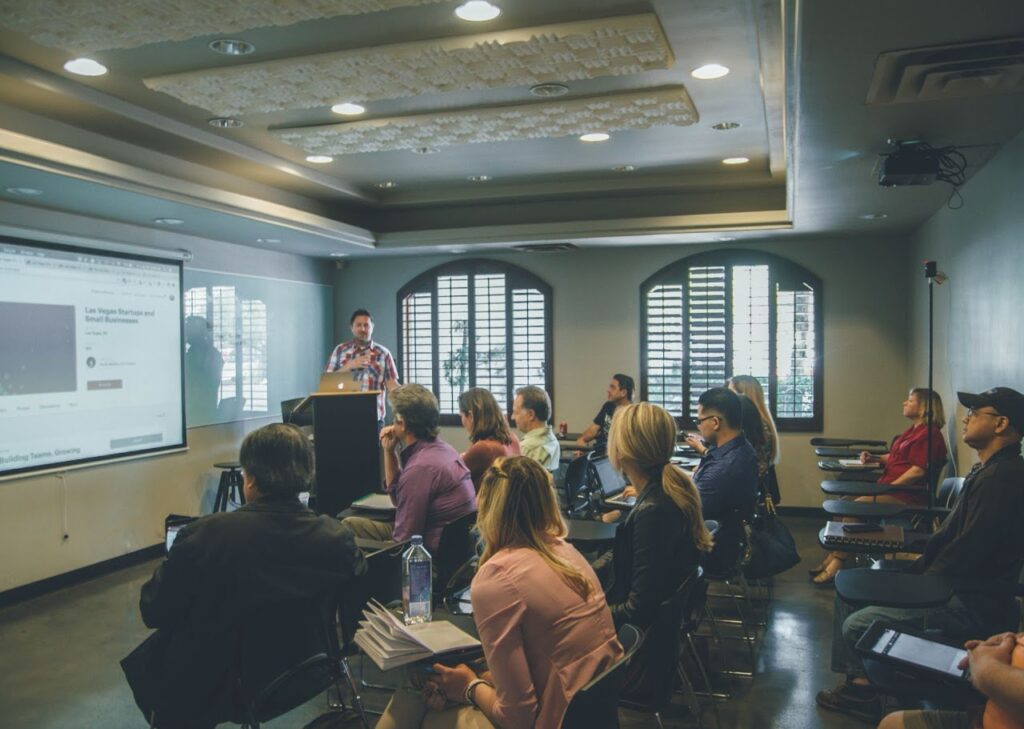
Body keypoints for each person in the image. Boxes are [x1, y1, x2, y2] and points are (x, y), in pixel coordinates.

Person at [120, 424, 367, 729]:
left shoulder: (204, 536)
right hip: (308, 670)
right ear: (306, 475)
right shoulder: (335, 537)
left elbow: (153, 609)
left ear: (249, 479)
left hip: (219, 687)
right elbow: (356, 583)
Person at [817, 387, 1024, 723]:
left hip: (967, 599)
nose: (967, 417)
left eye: (976, 411)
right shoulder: (988, 471)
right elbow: (952, 543)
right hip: (947, 581)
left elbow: (968, 553)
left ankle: (865, 691)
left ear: (1001, 424)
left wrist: (917, 584)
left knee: (858, 623)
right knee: (849, 587)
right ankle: (860, 683)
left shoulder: (1004, 478)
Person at [376, 456, 624, 729]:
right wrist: (477, 679)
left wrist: (469, 686)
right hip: (584, 711)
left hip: (554, 717)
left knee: (429, 709)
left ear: (486, 510)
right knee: (428, 683)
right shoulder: (567, 553)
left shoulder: (497, 578)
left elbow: (518, 718)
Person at [592, 402, 713, 702]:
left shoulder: (653, 511)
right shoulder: (666, 491)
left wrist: (583, 614)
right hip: (655, 644)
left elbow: (638, 609)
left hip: (637, 660)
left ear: (622, 452)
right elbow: (631, 560)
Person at [810, 387, 948, 585]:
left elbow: (918, 471)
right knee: (843, 504)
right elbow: (896, 457)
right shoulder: (913, 431)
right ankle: (833, 555)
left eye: (910, 400)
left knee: (853, 508)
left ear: (924, 406)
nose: (904, 403)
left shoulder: (930, 435)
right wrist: (874, 457)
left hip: (906, 496)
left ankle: (838, 562)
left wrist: (889, 487)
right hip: (892, 490)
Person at [342, 383, 475, 552]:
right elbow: (399, 500)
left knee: (345, 535)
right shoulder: (444, 450)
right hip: (452, 551)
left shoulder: (421, 468)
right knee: (350, 525)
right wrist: (389, 452)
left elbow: (403, 542)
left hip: (426, 558)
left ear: (403, 423)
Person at [877, 631, 1024, 729]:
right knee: (893, 724)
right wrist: (1011, 641)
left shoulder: (987, 671)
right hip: (991, 717)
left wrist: (986, 668)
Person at [686, 386, 759, 575]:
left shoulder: (724, 468)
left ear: (715, 422)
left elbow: (687, 511)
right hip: (730, 539)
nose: (698, 426)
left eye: (699, 421)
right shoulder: (741, 449)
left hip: (713, 550)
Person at [325, 307, 399, 427]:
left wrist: (412, 395)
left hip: (374, 420)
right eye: (358, 325)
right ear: (352, 328)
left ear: (372, 327)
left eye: (366, 325)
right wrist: (349, 366)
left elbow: (392, 386)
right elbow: (326, 383)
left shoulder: (383, 353)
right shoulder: (340, 350)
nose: (362, 329)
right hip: (343, 417)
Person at [458, 387, 521, 491]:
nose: (462, 421)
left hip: (487, 505)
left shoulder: (483, 448)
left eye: (461, 415)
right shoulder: (512, 438)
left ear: (470, 415)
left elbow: (452, 479)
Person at [726, 375, 780, 495]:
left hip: (749, 488)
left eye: (730, 393)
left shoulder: (753, 423)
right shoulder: (762, 420)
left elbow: (738, 459)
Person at [574, 373, 634, 454]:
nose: (608, 390)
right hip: (598, 456)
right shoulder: (608, 406)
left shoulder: (633, 414)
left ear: (623, 392)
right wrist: (580, 443)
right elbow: (589, 433)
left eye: (613, 387)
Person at [184, 315, 224, 423]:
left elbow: (194, 383)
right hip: (207, 410)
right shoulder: (214, 353)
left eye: (189, 329)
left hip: (196, 412)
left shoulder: (194, 354)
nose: (186, 333)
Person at [512, 385, 560, 471]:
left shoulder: (526, 448)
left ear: (530, 415)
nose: (513, 417)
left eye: (516, 412)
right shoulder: (553, 440)